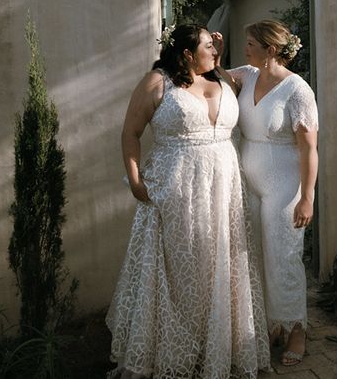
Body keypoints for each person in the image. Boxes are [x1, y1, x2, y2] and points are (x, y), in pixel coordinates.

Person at [106, 24, 270, 379]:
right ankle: (173, 351)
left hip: (224, 190)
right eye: (208, 45)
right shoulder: (157, 82)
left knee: (218, 267)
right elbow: (130, 132)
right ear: (185, 53)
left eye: (216, 46)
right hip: (175, 189)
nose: (215, 49)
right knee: (179, 271)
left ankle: (216, 351)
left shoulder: (223, 79)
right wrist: (134, 179)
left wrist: (218, 56)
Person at [216, 20, 319, 366]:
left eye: (250, 44)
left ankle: (297, 331)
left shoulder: (297, 90)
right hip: (248, 183)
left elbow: (309, 149)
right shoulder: (246, 74)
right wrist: (214, 54)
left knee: (283, 257)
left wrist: (308, 196)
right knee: (256, 257)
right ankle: (272, 324)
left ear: (270, 50)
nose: (244, 49)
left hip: (285, 186)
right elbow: (214, 77)